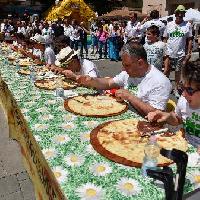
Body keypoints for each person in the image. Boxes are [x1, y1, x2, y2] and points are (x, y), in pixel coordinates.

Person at [78, 42, 172, 116]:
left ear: (140, 63)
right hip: (124, 115)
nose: (123, 68)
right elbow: (109, 83)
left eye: (126, 65)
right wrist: (91, 80)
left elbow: (157, 115)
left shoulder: (160, 82)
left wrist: (130, 97)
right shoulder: (128, 73)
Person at [147, 61, 200, 148]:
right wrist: (167, 116)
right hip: (186, 147)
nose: (183, 94)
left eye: (190, 90)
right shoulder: (184, 101)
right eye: (182, 88)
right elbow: (178, 119)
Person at [163, 5, 193, 97]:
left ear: (184, 15)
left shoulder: (187, 25)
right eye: (178, 13)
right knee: (166, 71)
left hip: (180, 54)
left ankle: (176, 89)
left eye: (181, 14)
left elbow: (190, 40)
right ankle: (165, 88)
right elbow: (165, 38)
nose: (179, 15)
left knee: (177, 72)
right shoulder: (169, 24)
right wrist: (164, 51)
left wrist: (189, 52)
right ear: (175, 14)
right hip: (169, 53)